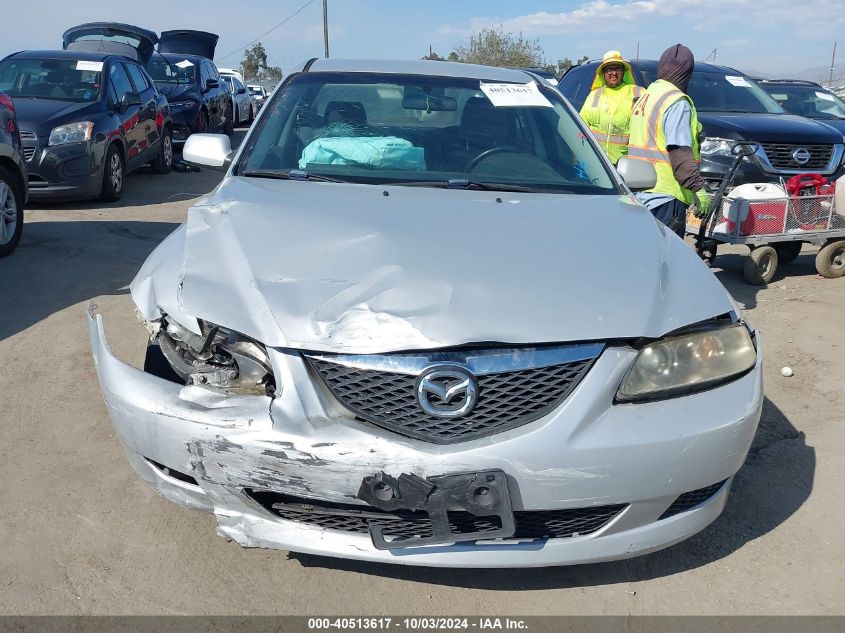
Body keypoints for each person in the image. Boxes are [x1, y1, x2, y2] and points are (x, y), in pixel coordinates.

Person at [627, 44, 710, 237]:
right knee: (666, 257)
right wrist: (697, 187)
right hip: (666, 194)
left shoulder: (647, 96)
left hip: (640, 191)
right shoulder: (677, 102)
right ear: (687, 72)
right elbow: (678, 149)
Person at [579, 50, 644, 165]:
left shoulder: (638, 93)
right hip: (597, 163)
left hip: (627, 164)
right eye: (610, 69)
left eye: (618, 68)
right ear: (603, 73)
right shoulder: (594, 95)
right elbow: (580, 127)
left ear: (624, 72)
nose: (614, 73)